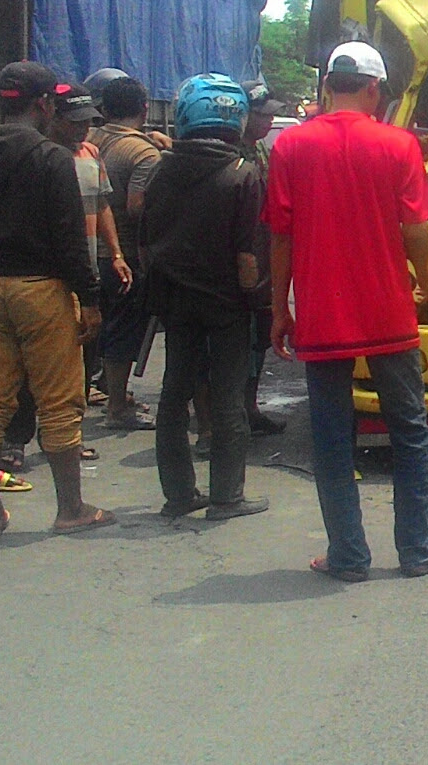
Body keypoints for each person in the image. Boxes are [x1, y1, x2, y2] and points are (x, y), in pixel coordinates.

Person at [266, 41, 428, 581]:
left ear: (327, 85)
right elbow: (416, 227)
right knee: (410, 429)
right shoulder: (398, 145)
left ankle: (348, 555)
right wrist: (424, 273)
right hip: (388, 311)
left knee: (331, 435)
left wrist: (281, 308)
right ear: (373, 88)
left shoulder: (290, 147)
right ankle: (419, 549)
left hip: (324, 315)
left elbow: (280, 236)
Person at [0, 61, 114, 536]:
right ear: (44, 104)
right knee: (59, 403)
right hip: (41, 290)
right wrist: (89, 297)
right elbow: (69, 237)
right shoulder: (50, 158)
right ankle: (71, 510)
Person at [136, 74, 270, 520]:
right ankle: (226, 497)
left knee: (174, 394)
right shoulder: (242, 174)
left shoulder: (160, 170)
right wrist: (259, 302)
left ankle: (178, 496)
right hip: (226, 304)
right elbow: (247, 257)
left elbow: (144, 241)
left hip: (174, 300)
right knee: (229, 396)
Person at [2, 84, 124, 469]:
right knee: (27, 365)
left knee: (82, 361)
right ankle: (15, 440)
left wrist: (116, 253)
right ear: (51, 116)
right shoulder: (37, 157)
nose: (82, 130)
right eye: (74, 122)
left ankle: (67, 436)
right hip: (46, 275)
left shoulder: (90, 154)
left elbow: (102, 205)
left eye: (87, 122)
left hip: (85, 268)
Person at [92, 75, 161, 431]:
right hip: (125, 256)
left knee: (99, 326)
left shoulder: (90, 139)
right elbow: (138, 208)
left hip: (91, 251)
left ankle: (105, 390)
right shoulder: (144, 153)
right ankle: (117, 407)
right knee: (123, 328)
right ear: (144, 108)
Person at [240, 82, 287, 435]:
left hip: (263, 261)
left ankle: (249, 407)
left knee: (258, 341)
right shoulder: (230, 154)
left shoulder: (261, 152)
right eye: (262, 114)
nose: (268, 120)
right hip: (240, 264)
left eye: (271, 114)